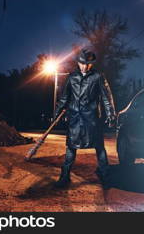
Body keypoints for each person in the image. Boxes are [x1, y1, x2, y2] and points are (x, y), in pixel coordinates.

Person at [53, 49, 116, 189]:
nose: (85, 66)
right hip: (75, 118)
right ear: (78, 62)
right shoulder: (71, 77)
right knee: (71, 148)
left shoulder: (98, 76)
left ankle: (106, 177)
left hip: (92, 118)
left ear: (91, 64)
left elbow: (106, 97)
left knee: (99, 148)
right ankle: (64, 177)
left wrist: (111, 114)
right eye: (82, 63)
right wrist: (56, 114)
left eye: (88, 64)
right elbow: (64, 98)